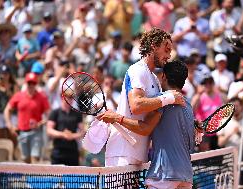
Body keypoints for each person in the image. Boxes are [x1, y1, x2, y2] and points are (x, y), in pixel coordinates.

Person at [97, 60, 199, 189]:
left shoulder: (162, 99)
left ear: (164, 76)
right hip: (186, 177)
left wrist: (116, 118)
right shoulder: (188, 105)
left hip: (164, 175)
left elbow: (145, 128)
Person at [102, 28, 185, 167]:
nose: (169, 55)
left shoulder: (155, 80)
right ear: (154, 46)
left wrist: (190, 124)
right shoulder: (137, 70)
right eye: (166, 49)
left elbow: (148, 127)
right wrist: (168, 98)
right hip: (122, 153)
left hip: (140, 156)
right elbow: (136, 106)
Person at [4, 72, 50, 163]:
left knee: (35, 159)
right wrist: (10, 125)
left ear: (36, 84)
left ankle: (33, 177)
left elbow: (49, 115)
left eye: (33, 83)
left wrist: (41, 123)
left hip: (36, 132)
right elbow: (7, 110)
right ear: (26, 83)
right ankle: (28, 177)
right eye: (29, 83)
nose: (31, 85)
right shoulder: (19, 95)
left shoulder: (41, 97)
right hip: (22, 132)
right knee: (26, 160)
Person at [46, 91, 85, 166]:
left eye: (71, 98)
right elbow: (49, 130)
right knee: (56, 175)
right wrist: (63, 134)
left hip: (72, 150)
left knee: (73, 176)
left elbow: (82, 132)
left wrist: (72, 136)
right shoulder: (55, 112)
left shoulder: (77, 114)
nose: (69, 100)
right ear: (62, 98)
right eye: (66, 97)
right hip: (58, 149)